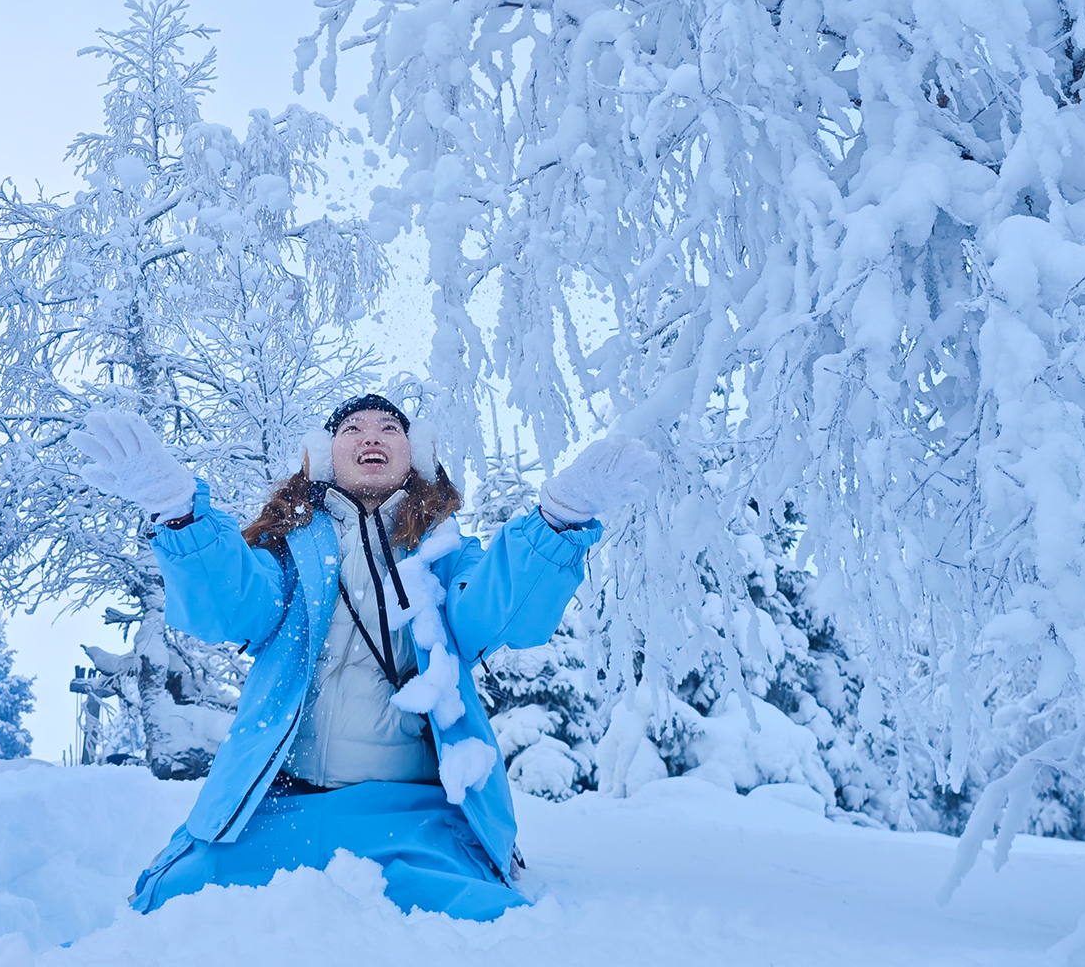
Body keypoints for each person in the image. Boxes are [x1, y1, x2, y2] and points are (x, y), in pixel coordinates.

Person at [69, 394, 657, 921]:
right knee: (181, 913)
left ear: (414, 456)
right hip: (282, 807)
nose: (371, 435)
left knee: (483, 927)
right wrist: (179, 513)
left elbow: (496, 610)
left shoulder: (446, 553)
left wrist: (557, 521)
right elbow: (232, 604)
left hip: (416, 816)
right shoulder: (287, 554)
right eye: (353, 427)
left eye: (389, 428)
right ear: (326, 455)